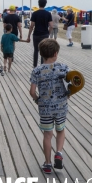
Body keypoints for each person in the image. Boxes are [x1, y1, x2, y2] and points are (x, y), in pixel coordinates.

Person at [29, 39, 69, 174]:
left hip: (45, 108)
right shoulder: (63, 68)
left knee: (47, 134)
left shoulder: (37, 70)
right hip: (61, 106)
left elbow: (32, 92)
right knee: (60, 130)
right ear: (56, 53)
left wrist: (37, 100)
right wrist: (68, 95)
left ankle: (47, 164)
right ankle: (58, 152)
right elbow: (74, 81)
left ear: (41, 54)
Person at [27, 0, 53, 67]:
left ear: (38, 4)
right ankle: (42, 66)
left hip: (36, 34)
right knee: (43, 51)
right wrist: (48, 33)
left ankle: (35, 66)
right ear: (45, 4)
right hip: (45, 34)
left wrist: (29, 36)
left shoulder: (35, 13)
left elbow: (32, 26)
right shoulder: (48, 14)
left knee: (36, 50)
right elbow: (51, 26)